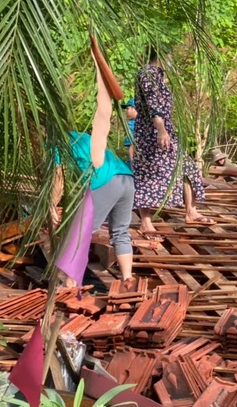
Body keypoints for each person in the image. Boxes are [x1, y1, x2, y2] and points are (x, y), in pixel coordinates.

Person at [133, 47, 213, 236]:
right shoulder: (148, 74)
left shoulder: (158, 75)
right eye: (169, 56)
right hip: (151, 135)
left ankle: (191, 211)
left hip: (164, 131)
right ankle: (145, 222)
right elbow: (154, 106)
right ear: (161, 55)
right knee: (149, 175)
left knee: (187, 167)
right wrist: (160, 130)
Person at [54, 130, 136, 281]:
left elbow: (57, 178)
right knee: (120, 232)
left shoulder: (56, 141)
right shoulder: (83, 137)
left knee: (80, 232)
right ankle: (127, 278)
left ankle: (70, 283)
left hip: (105, 180)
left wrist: (51, 207)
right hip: (126, 178)